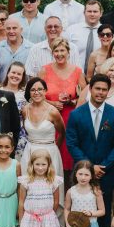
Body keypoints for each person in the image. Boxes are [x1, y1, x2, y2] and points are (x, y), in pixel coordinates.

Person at [65, 74, 114, 227]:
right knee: (80, 205)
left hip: (106, 171)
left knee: (104, 207)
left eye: (104, 89)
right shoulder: (77, 114)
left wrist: (104, 166)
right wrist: (90, 167)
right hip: (83, 172)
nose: (100, 92)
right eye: (97, 88)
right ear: (90, 89)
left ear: (108, 92)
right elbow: (72, 142)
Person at [40, 37, 83, 173]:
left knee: (68, 157)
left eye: (62, 50)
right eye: (56, 51)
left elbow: (84, 97)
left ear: (68, 52)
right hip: (48, 118)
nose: (59, 54)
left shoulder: (77, 71)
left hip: (69, 118)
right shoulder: (44, 70)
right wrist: (52, 103)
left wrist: (71, 101)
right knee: (49, 157)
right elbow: (35, 94)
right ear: (52, 53)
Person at [19, 77, 65, 192]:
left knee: (49, 187)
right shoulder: (25, 110)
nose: (36, 92)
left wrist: (54, 149)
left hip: (49, 151)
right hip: (29, 150)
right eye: (33, 90)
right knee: (28, 186)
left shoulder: (53, 112)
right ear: (29, 92)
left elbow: (62, 133)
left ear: (45, 91)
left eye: (40, 89)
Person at [65, 0, 104, 74]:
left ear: (101, 13)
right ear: (84, 13)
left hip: (99, 77)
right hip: (74, 75)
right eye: (89, 11)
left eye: (95, 11)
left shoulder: (108, 33)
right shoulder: (71, 30)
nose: (92, 14)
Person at [0, 18, 31, 84]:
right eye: (8, 28)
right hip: (2, 91)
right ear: (5, 30)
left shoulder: (31, 48)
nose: (11, 31)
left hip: (24, 91)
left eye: (14, 28)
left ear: (21, 30)